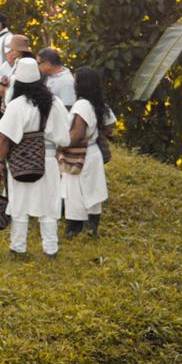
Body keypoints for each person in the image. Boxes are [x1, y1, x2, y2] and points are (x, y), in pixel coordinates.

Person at [0, 57, 71, 258]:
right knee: (49, 206)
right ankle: (51, 249)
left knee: (19, 205)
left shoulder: (17, 105)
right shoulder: (55, 103)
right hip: (48, 160)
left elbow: (4, 138)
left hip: (21, 160)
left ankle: (18, 247)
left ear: (17, 82)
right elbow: (64, 137)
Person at [63, 66, 114, 238]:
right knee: (93, 189)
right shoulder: (98, 103)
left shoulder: (82, 104)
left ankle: (74, 229)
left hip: (79, 152)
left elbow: (77, 133)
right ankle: (91, 228)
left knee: (75, 190)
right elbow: (109, 128)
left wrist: (61, 143)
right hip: (93, 152)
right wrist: (95, 132)